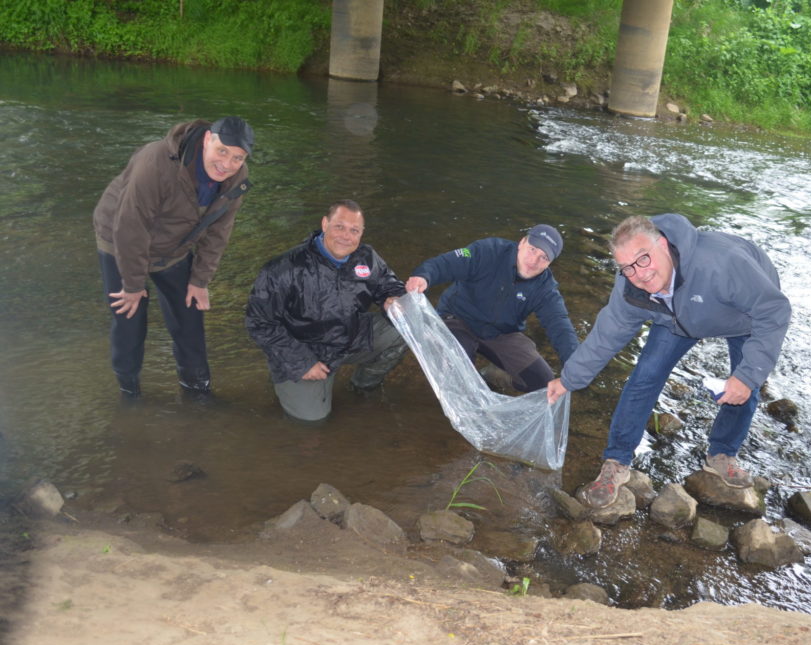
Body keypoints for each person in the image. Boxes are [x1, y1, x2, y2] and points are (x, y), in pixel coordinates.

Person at [547, 213, 791, 507]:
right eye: (627, 268)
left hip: (742, 316)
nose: (640, 274)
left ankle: (723, 453)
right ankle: (617, 461)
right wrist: (568, 380)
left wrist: (748, 376)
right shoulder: (633, 286)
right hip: (676, 318)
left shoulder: (722, 264)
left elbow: (773, 311)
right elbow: (606, 335)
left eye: (643, 259)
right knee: (645, 377)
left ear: (662, 244)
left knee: (743, 385)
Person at [94, 116, 255, 398]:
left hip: (173, 247)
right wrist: (133, 286)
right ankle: (128, 392)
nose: (227, 164)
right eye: (222, 151)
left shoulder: (235, 179)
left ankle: (198, 390)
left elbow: (219, 232)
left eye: (237, 157)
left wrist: (200, 280)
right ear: (208, 140)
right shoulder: (156, 162)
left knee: (189, 316)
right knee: (130, 319)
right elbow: (131, 225)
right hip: (120, 237)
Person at [245, 201, 407, 422]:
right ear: (324, 224)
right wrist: (301, 362)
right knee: (313, 421)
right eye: (339, 227)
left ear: (361, 233)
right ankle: (286, 381)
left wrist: (394, 299)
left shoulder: (367, 257)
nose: (345, 236)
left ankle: (362, 387)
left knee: (404, 328)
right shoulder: (284, 268)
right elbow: (259, 323)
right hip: (306, 351)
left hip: (350, 336)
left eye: (354, 230)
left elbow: (390, 285)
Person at [405, 224, 578, 393]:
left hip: (502, 334)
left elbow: (559, 324)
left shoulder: (545, 288)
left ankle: (493, 376)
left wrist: (576, 367)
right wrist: (424, 276)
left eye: (544, 257)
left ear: (550, 264)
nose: (534, 261)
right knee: (459, 376)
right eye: (532, 249)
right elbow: (448, 262)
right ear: (521, 243)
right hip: (458, 320)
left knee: (543, 384)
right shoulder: (488, 250)